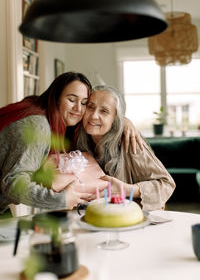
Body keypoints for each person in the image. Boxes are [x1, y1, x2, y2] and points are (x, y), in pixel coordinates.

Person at [0, 72, 142, 214]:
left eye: (84, 103)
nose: (78, 109)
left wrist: (122, 121)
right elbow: (12, 182)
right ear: (56, 98)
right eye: (71, 100)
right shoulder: (38, 126)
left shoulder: (57, 121)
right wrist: (61, 199)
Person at [76, 85, 176, 211]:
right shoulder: (78, 140)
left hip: (129, 223)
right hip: (95, 220)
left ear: (115, 119)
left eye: (104, 111)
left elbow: (166, 185)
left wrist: (126, 190)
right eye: (91, 107)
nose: (94, 115)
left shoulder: (130, 142)